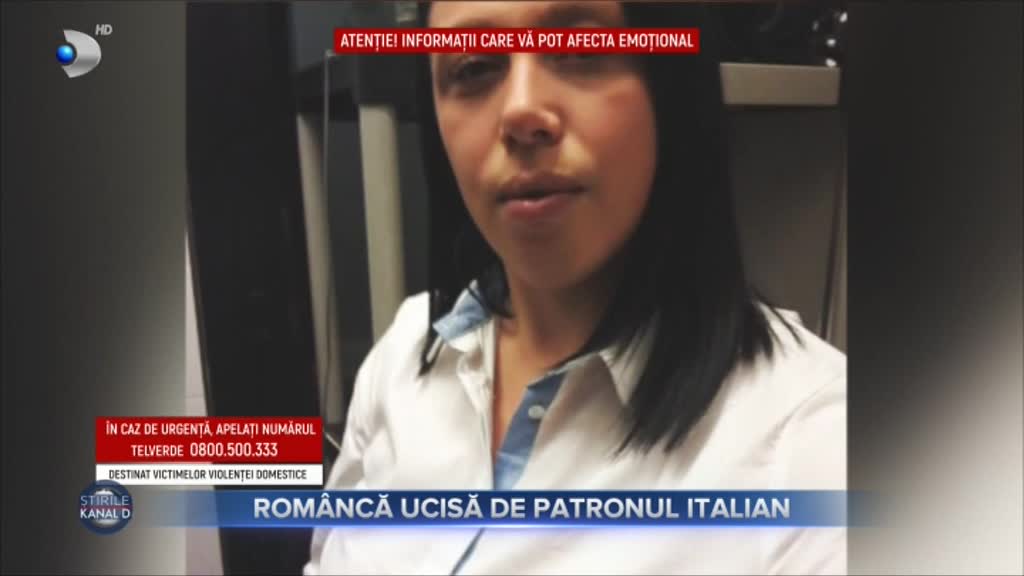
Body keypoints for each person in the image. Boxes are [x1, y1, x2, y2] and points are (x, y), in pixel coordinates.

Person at [306, 2, 846, 574]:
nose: (520, 111)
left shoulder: (816, 448)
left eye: (582, 49)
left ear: (672, 85)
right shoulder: (400, 356)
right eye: (474, 67)